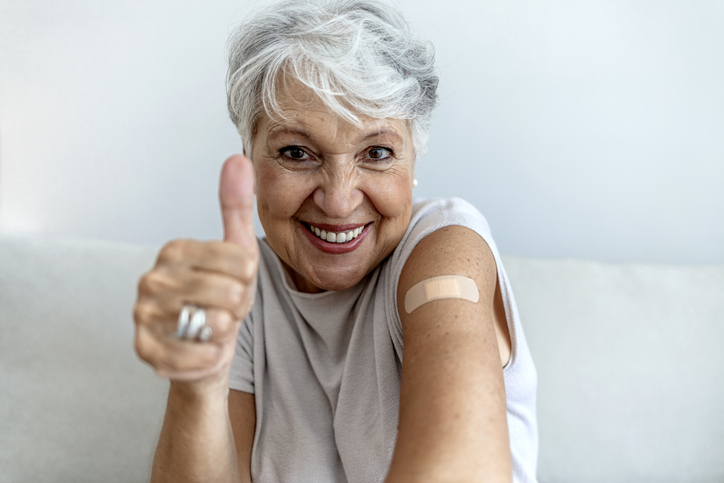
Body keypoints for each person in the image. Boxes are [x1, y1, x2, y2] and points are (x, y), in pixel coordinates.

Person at [133, 0, 538, 482]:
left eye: (377, 152)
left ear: (414, 160)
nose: (340, 201)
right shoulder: (239, 291)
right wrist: (195, 385)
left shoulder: (443, 250)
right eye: (297, 152)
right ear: (249, 155)